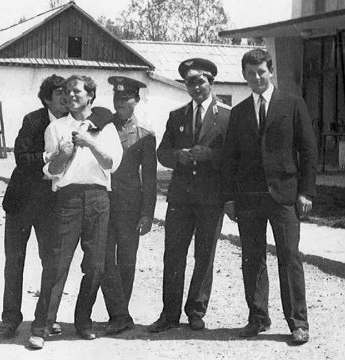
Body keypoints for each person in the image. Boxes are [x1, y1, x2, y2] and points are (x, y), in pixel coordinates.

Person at [221, 48, 317, 344]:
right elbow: (230, 158)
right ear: (244, 76)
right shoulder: (237, 113)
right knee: (252, 258)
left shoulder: (292, 104)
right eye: (250, 73)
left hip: (285, 195)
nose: (256, 77)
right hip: (249, 198)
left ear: (271, 71)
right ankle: (258, 317)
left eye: (261, 71)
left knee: (289, 257)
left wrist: (305, 192)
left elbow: (308, 150)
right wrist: (230, 198)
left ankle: (298, 323)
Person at [27, 75, 123, 349]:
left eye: (76, 91)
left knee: (95, 265)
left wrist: (89, 141)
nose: (70, 96)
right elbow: (52, 172)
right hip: (67, 199)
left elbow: (112, 164)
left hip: (97, 198)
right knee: (56, 265)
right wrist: (64, 153)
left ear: (90, 96)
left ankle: (83, 320)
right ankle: (41, 327)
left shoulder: (105, 127)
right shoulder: (56, 128)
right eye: (67, 92)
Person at [148, 58, 230, 333]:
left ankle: (196, 311)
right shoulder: (177, 116)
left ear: (211, 82)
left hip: (211, 198)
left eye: (200, 81)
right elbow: (162, 153)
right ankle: (169, 314)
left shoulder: (228, 116)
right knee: (173, 255)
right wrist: (177, 157)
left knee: (204, 256)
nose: (195, 87)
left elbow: (236, 157)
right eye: (189, 82)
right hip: (181, 198)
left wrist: (213, 155)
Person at [0, 74, 68, 338]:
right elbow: (22, 158)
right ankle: (10, 318)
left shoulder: (72, 124)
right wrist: (49, 157)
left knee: (51, 262)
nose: (66, 98)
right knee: (14, 261)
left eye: (68, 92)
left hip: (51, 206)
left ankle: (48, 316)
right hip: (21, 203)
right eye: (60, 93)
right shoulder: (33, 120)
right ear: (47, 98)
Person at [101, 76, 157, 335]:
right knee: (101, 259)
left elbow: (150, 179)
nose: (120, 103)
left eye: (125, 98)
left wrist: (147, 213)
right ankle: (119, 314)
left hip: (129, 207)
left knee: (126, 261)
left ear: (136, 100)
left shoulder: (145, 136)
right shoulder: (102, 128)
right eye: (116, 98)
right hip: (102, 204)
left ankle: (119, 315)